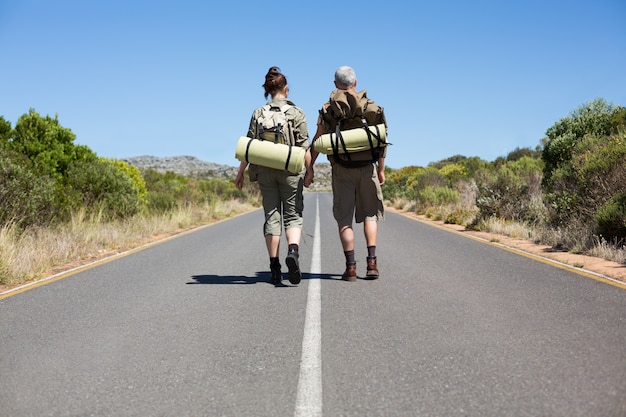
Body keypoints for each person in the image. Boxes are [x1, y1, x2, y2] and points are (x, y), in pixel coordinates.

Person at [305, 66, 387, 281]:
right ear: (356, 82)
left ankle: (350, 268)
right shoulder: (371, 106)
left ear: (335, 85)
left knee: (344, 220)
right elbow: (381, 141)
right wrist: (381, 169)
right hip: (367, 168)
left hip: (341, 170)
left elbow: (317, 141)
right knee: (370, 215)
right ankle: (372, 264)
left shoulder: (328, 109)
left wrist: (310, 168)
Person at [236, 66, 311, 285]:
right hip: (290, 169)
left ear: (268, 90)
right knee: (293, 215)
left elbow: (249, 146)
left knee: (272, 216)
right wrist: (310, 171)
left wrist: (241, 172)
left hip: (265, 171)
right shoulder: (296, 112)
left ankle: (274, 266)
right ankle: (294, 252)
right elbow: (304, 146)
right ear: (286, 89)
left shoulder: (258, 113)